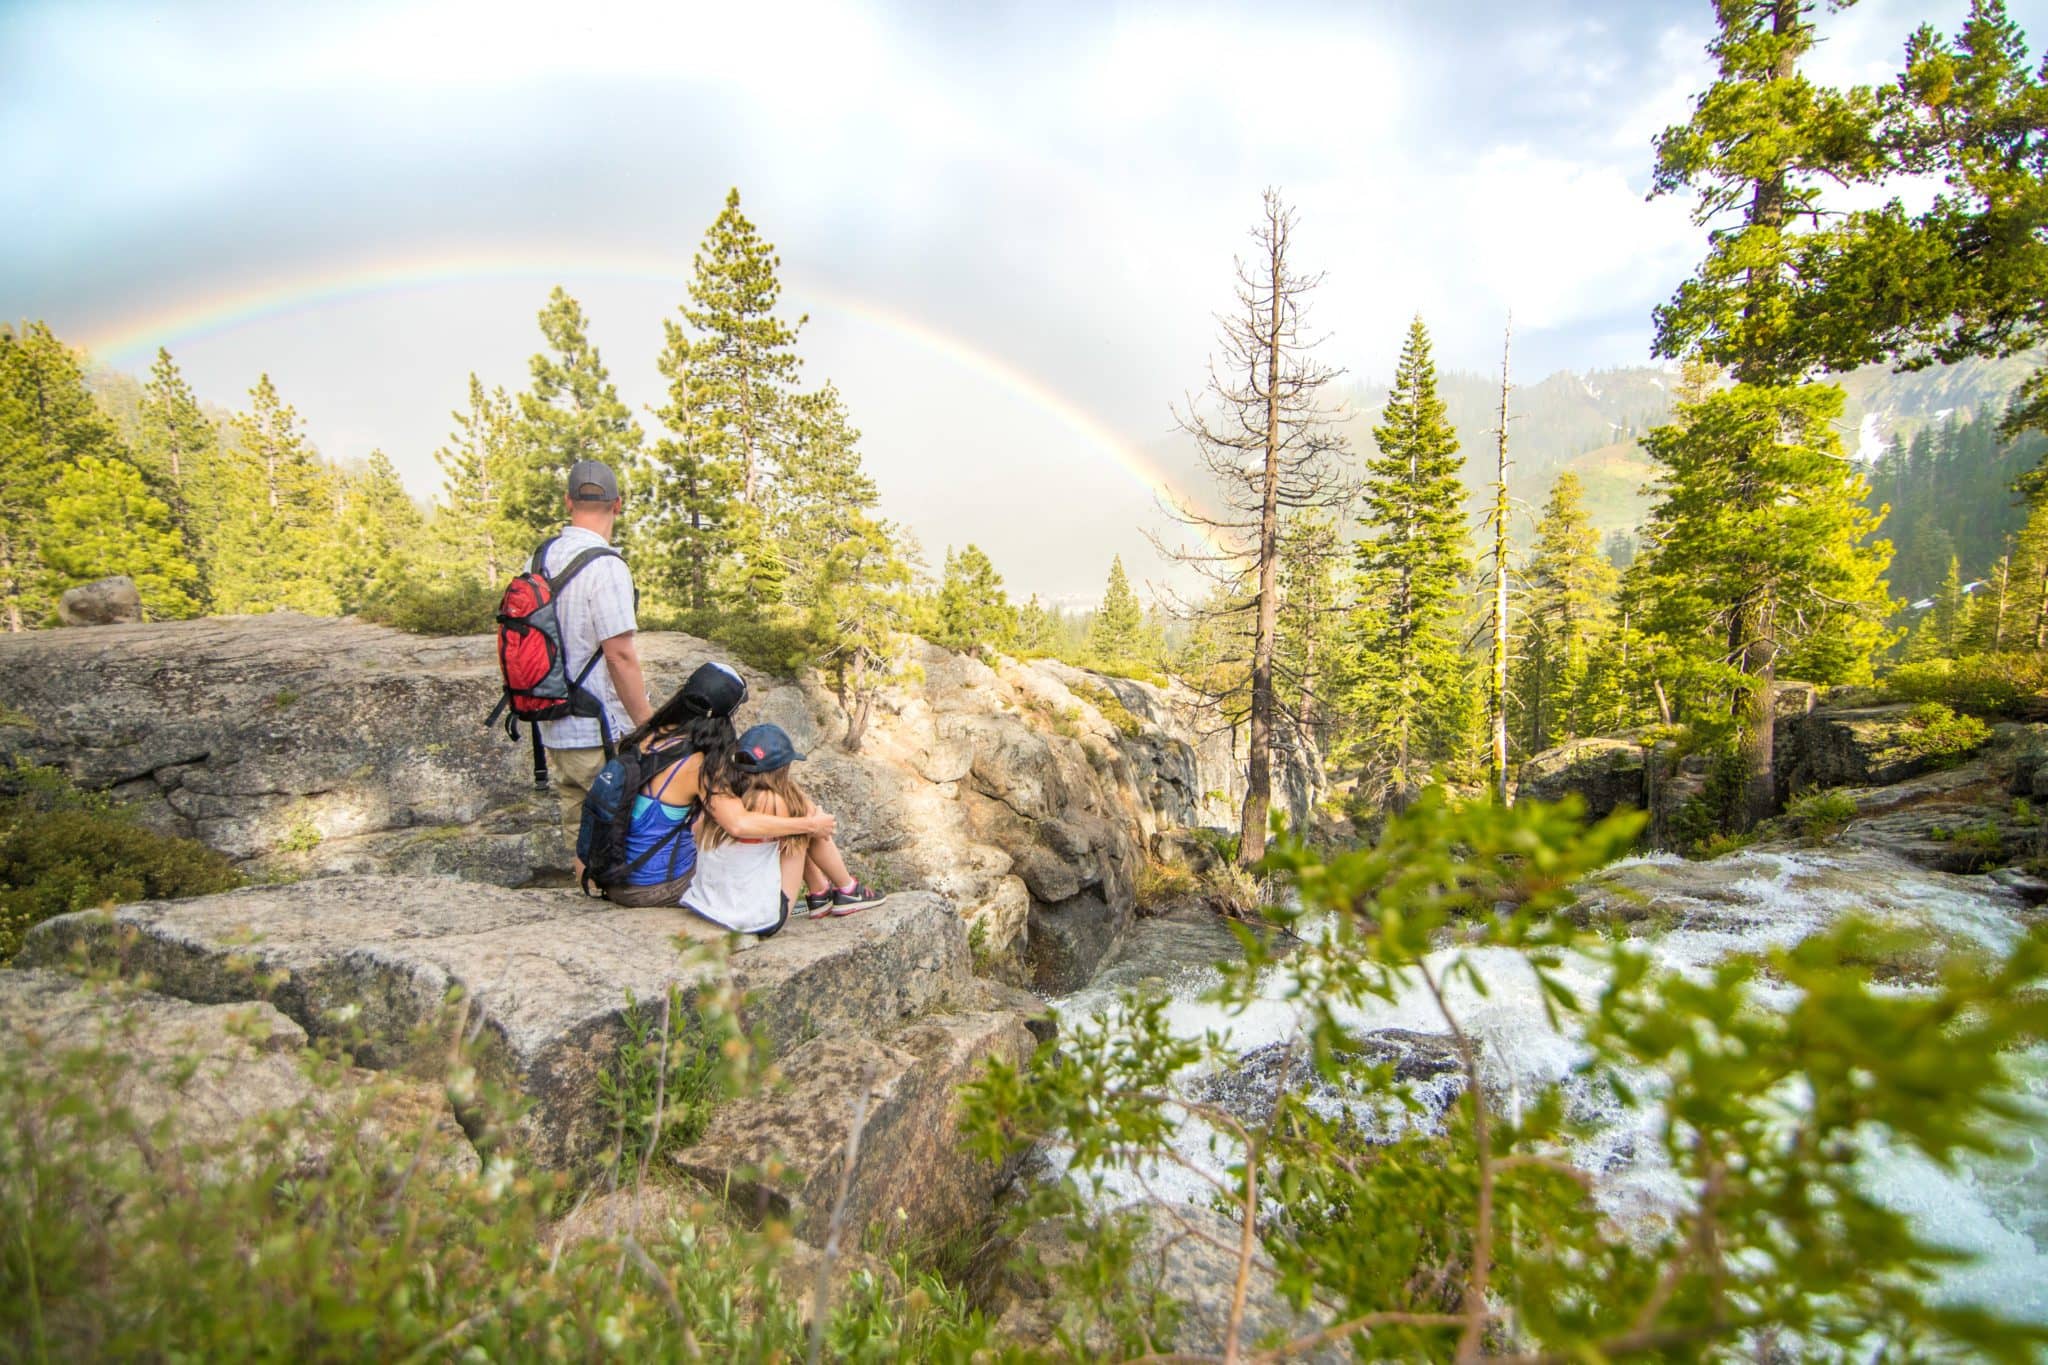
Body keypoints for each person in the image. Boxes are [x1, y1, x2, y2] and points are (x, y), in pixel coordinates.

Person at [599, 661, 827, 907]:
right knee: (781, 814)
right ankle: (797, 897)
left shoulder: (648, 736)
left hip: (616, 879)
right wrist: (808, 824)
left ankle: (821, 889)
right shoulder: (698, 764)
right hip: (655, 887)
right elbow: (738, 824)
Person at [537, 459, 653, 859]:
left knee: (579, 835)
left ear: (569, 501)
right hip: (599, 730)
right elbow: (619, 655)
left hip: (552, 726)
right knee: (624, 835)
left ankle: (585, 904)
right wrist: (647, 727)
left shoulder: (541, 559)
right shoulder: (606, 567)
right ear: (617, 504)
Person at [683, 723, 882, 938]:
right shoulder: (779, 801)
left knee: (797, 825)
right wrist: (810, 819)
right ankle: (846, 889)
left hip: (707, 905)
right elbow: (818, 825)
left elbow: (696, 829)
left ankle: (820, 893)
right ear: (782, 768)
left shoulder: (722, 796)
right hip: (757, 919)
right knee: (803, 826)